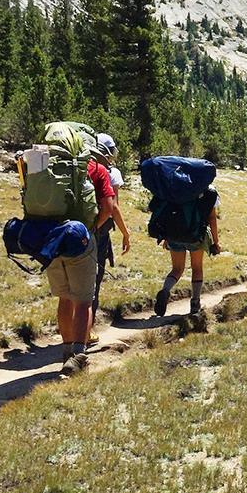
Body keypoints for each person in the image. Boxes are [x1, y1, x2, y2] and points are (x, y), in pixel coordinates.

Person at [49, 151, 116, 375]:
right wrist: (92, 228)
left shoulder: (51, 166)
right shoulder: (97, 170)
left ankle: (66, 351)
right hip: (81, 239)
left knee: (65, 297)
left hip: (52, 239)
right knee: (84, 301)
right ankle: (78, 356)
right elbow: (108, 207)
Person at [89, 133, 131, 343]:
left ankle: (70, 329)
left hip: (72, 228)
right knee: (93, 279)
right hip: (98, 230)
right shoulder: (110, 172)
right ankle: (86, 331)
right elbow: (113, 208)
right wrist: (125, 232)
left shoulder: (80, 167)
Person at [154, 186, 221, 317]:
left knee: (177, 269)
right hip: (196, 236)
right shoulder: (208, 190)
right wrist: (215, 242)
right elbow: (212, 219)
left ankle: (165, 290)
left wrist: (166, 236)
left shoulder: (176, 187)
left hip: (174, 234)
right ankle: (195, 303)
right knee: (197, 268)